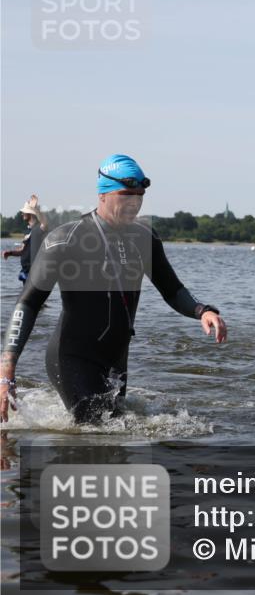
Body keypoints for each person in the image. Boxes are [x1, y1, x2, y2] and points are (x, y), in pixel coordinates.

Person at [0, 155, 227, 424]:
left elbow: (172, 289)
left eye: (140, 195)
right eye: (126, 194)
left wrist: (202, 311)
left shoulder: (146, 238)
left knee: (116, 434)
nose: (135, 202)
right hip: (73, 357)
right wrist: (6, 372)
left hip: (117, 359)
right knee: (98, 433)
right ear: (103, 194)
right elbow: (28, 303)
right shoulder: (66, 239)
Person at [2, 195, 48, 285]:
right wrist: (10, 252)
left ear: (30, 213)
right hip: (26, 272)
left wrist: (36, 209)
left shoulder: (38, 228)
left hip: (35, 273)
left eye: (24, 212)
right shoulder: (28, 231)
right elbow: (23, 250)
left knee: (30, 299)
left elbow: (45, 224)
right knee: (29, 299)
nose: (22, 214)